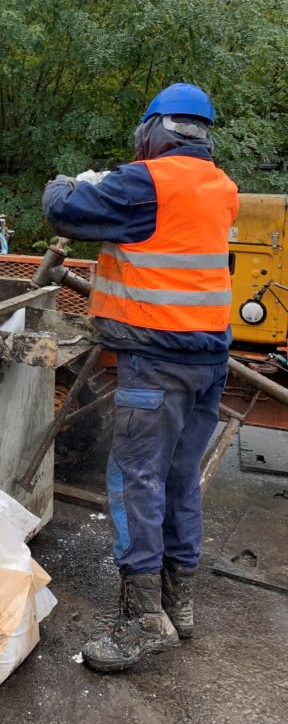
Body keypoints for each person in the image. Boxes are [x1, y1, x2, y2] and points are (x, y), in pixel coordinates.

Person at [42, 82, 239, 673]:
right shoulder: (221, 188)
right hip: (207, 364)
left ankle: (142, 620)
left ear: (155, 129)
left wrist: (74, 180)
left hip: (155, 360)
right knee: (179, 481)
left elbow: (62, 209)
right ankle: (179, 608)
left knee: (135, 482)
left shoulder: (148, 181)